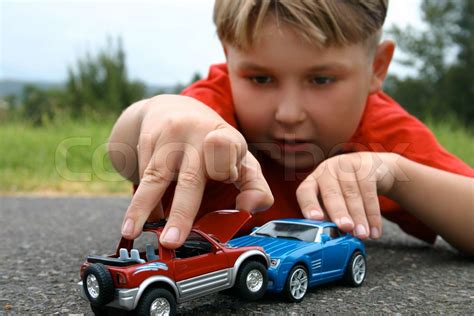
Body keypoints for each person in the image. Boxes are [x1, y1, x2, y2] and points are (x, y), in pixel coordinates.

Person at [108, 0, 474, 256]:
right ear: (228, 56)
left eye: (321, 79)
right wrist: (156, 112)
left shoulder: (379, 129)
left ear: (376, 68)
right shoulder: (208, 114)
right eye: (261, 78)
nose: (288, 112)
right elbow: (125, 154)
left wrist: (395, 173)